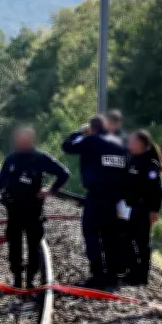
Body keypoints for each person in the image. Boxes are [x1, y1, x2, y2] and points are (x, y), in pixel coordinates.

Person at [0, 127, 70, 289]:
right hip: (14, 210)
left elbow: (63, 173)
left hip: (33, 210)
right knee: (14, 245)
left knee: (34, 245)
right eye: (19, 139)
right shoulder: (11, 159)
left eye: (24, 139)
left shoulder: (40, 158)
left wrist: (51, 190)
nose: (20, 142)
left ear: (31, 140)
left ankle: (31, 279)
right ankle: (17, 279)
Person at [62, 115, 128, 290]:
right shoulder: (120, 143)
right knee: (112, 235)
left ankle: (98, 275)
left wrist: (79, 132)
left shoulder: (91, 140)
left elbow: (67, 146)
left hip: (98, 195)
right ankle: (114, 276)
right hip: (118, 197)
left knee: (91, 232)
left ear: (91, 128)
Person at [123, 130, 162, 285]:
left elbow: (157, 190)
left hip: (144, 208)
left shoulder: (149, 164)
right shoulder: (134, 159)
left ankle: (141, 276)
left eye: (132, 141)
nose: (129, 144)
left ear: (140, 143)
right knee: (128, 238)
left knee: (141, 242)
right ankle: (132, 270)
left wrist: (155, 210)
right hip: (133, 207)